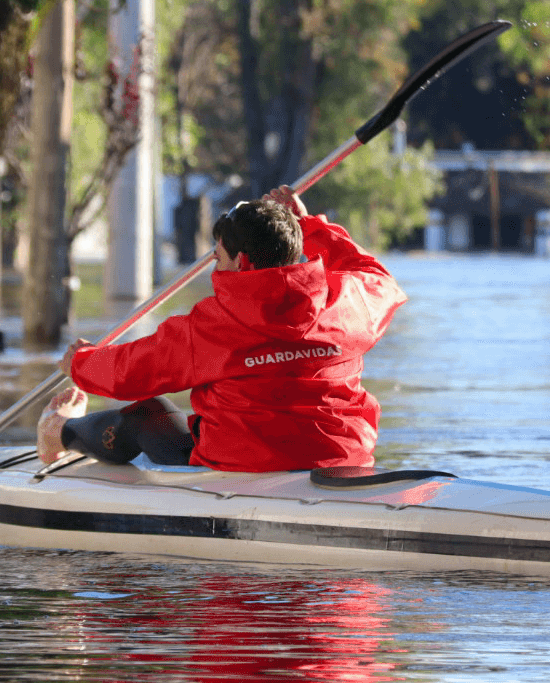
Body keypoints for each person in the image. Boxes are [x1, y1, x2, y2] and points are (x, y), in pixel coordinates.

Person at [37, 185, 407, 473]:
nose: (214, 269)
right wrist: (311, 227)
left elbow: (129, 374)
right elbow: (381, 280)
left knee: (149, 413)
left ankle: (59, 432)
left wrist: (81, 364)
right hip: (343, 459)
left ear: (241, 261)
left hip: (243, 465)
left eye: (217, 258)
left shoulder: (213, 324)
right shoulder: (346, 302)